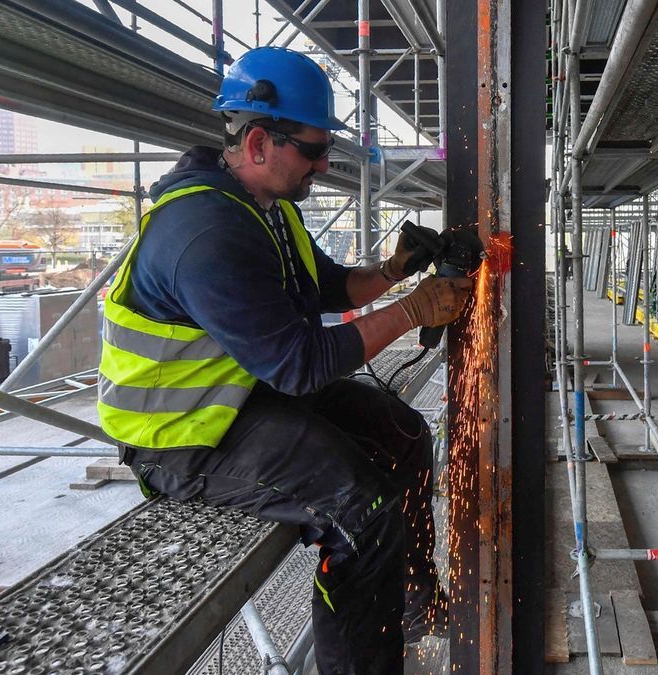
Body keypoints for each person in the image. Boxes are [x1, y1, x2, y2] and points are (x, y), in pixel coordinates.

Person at [96, 46, 471, 674]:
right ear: (261, 142)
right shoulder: (207, 233)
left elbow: (329, 292)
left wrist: (394, 271)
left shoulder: (265, 210)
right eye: (315, 150)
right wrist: (413, 311)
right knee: (362, 511)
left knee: (404, 433)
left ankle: (409, 602)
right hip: (182, 439)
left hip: (241, 395)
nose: (324, 165)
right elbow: (301, 365)